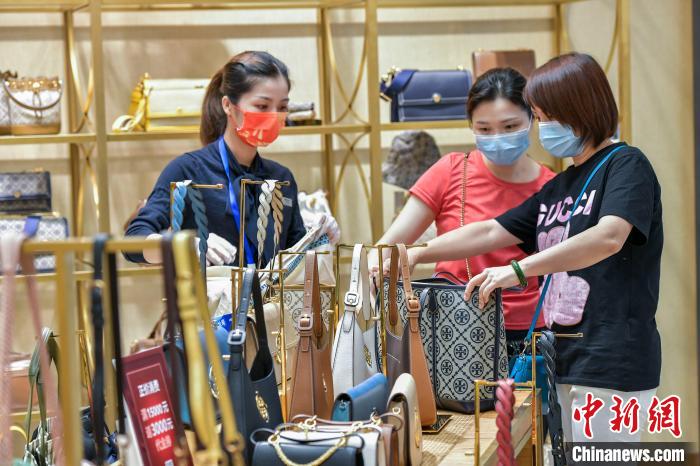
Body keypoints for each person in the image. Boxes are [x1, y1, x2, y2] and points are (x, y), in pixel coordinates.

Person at [403, 53, 662, 446]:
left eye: (547, 117)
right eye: (540, 118)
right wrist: (419, 253)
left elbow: (608, 237)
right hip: (563, 361)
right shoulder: (560, 186)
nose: (544, 128)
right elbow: (490, 231)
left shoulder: (626, 165)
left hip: (613, 362)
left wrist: (518, 270)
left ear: (580, 109)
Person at [373, 67, 555, 359]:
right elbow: (388, 245)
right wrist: (376, 268)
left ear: (532, 119)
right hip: (452, 326)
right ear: (471, 126)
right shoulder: (451, 171)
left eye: (510, 126)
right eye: (484, 129)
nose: (497, 137)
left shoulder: (551, 187)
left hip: (529, 333)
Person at [125, 51, 323, 266]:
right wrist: (183, 246)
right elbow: (133, 241)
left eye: (282, 107)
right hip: (208, 289)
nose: (273, 116)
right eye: (262, 106)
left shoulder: (281, 177)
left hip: (270, 289)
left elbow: (296, 261)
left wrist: (318, 237)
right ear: (228, 105)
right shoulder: (188, 170)